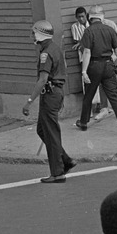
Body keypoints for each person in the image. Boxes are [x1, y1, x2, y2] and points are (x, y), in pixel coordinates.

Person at [21, 20, 77, 184]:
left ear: (39, 34)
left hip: (50, 94)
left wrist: (29, 101)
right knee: (42, 129)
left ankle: (58, 172)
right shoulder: (55, 48)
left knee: (51, 133)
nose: (32, 36)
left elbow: (42, 79)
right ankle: (65, 159)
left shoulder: (46, 53)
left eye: (33, 33)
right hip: (56, 93)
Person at [75, 5, 117, 134]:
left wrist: (84, 71)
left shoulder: (88, 31)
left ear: (90, 17)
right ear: (102, 17)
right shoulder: (109, 29)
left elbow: (87, 52)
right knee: (114, 95)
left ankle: (83, 123)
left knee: (89, 95)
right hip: (108, 65)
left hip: (94, 66)